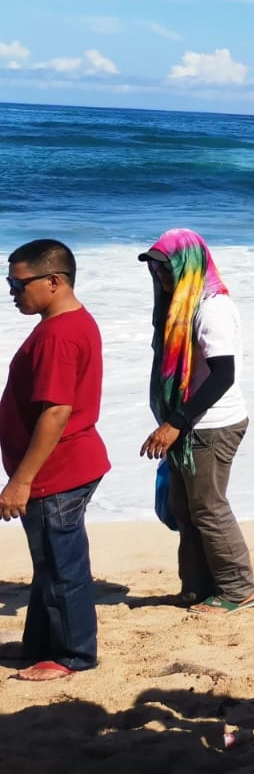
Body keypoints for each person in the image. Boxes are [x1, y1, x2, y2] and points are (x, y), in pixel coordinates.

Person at [1, 239, 110, 681]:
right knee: (49, 560)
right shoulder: (69, 322)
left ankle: (73, 654)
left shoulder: (58, 335)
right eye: (8, 282)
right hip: (69, 463)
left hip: (57, 471)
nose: (12, 291)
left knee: (63, 564)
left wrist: (21, 480)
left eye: (18, 283)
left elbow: (57, 411)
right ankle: (41, 644)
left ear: (53, 281)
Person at [137, 229, 254, 613]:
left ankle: (239, 590)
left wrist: (176, 422)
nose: (160, 275)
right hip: (190, 425)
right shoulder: (181, 306)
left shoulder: (211, 308)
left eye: (166, 267)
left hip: (211, 425)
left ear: (188, 266)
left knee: (208, 508)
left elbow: (223, 376)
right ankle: (197, 587)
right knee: (185, 510)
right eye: (155, 268)